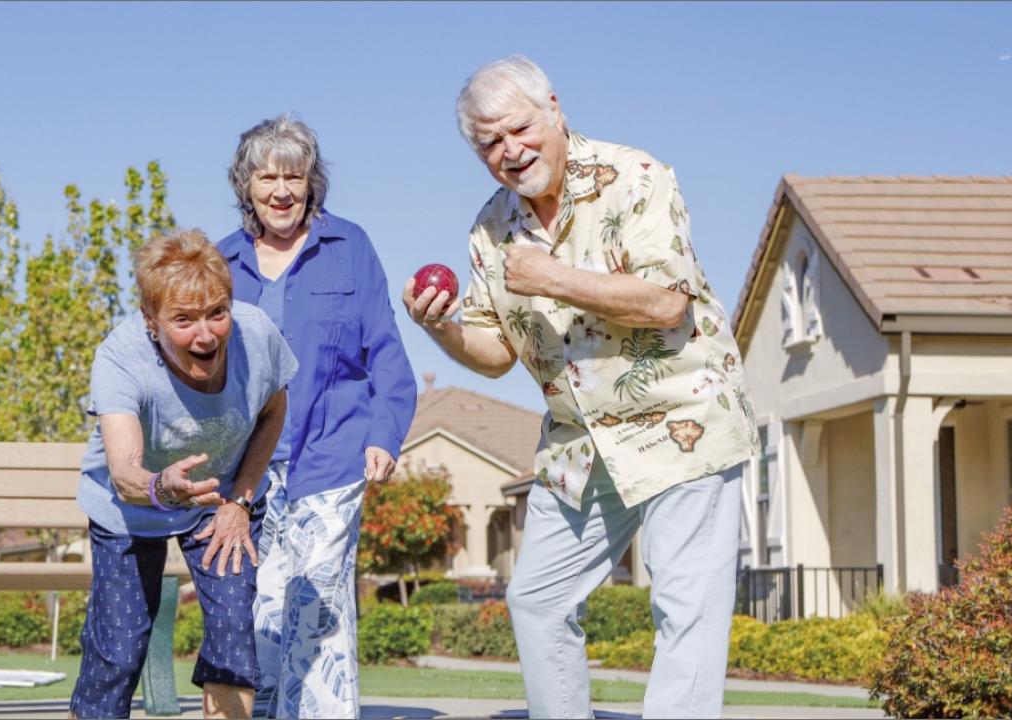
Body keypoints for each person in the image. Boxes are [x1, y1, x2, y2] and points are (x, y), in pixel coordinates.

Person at [402, 55, 758, 719]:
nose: (510, 151)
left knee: (685, 608)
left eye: (519, 129)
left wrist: (551, 277)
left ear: (555, 109)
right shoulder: (490, 228)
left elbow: (666, 304)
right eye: (489, 143)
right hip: (580, 441)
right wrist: (444, 330)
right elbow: (498, 353)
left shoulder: (636, 177)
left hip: (681, 418)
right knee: (536, 597)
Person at [213, 114, 416, 719]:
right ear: (246, 186)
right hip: (248, 469)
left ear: (312, 182)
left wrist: (385, 434)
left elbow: (385, 349)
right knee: (265, 608)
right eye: (267, 176)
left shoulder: (347, 246)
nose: (281, 190)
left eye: (294, 176)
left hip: (331, 454)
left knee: (319, 601)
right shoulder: (221, 262)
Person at [71, 229, 296, 719]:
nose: (206, 333)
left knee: (235, 631)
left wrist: (241, 498)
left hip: (218, 502)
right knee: (119, 648)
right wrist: (161, 485)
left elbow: (272, 412)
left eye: (218, 312)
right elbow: (125, 472)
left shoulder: (256, 337)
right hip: (130, 509)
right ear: (151, 322)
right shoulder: (121, 358)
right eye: (184, 320)